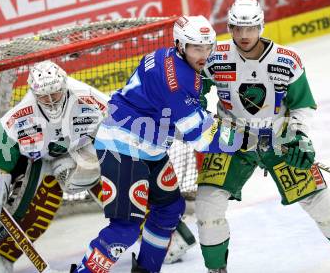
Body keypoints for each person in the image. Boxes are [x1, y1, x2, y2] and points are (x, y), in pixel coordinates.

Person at [195, 0, 330, 273]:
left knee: (318, 200)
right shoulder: (215, 57)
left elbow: (303, 105)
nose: (244, 35)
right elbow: (192, 95)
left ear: (261, 27)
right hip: (232, 142)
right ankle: (216, 268)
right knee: (207, 203)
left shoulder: (287, 61)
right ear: (228, 27)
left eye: (251, 28)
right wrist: (203, 123)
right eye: (238, 28)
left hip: (279, 141)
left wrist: (298, 136)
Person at [71, 15, 237, 273]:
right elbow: (200, 138)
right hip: (123, 149)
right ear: (181, 45)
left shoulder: (165, 56)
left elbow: (171, 118)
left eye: (208, 47)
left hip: (148, 147)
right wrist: (245, 138)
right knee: (124, 230)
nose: (204, 54)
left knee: (171, 208)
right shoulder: (178, 80)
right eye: (197, 48)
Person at [0, 60, 107, 272]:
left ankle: (158, 227)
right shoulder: (18, 119)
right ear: (33, 93)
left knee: (119, 183)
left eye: (55, 93)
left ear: (64, 85)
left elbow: (121, 126)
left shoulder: (87, 97)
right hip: (41, 162)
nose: (51, 101)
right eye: (44, 96)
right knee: (36, 210)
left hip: (84, 151)